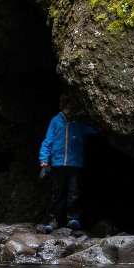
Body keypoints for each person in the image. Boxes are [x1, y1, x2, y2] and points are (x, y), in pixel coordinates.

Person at [39, 92, 95, 233]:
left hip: (75, 162)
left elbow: (94, 129)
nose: (70, 109)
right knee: (57, 193)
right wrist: (44, 158)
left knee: (74, 192)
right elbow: (48, 140)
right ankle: (55, 219)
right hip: (58, 163)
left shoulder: (79, 122)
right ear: (63, 106)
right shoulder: (56, 121)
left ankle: (73, 218)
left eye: (72, 106)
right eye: (68, 105)